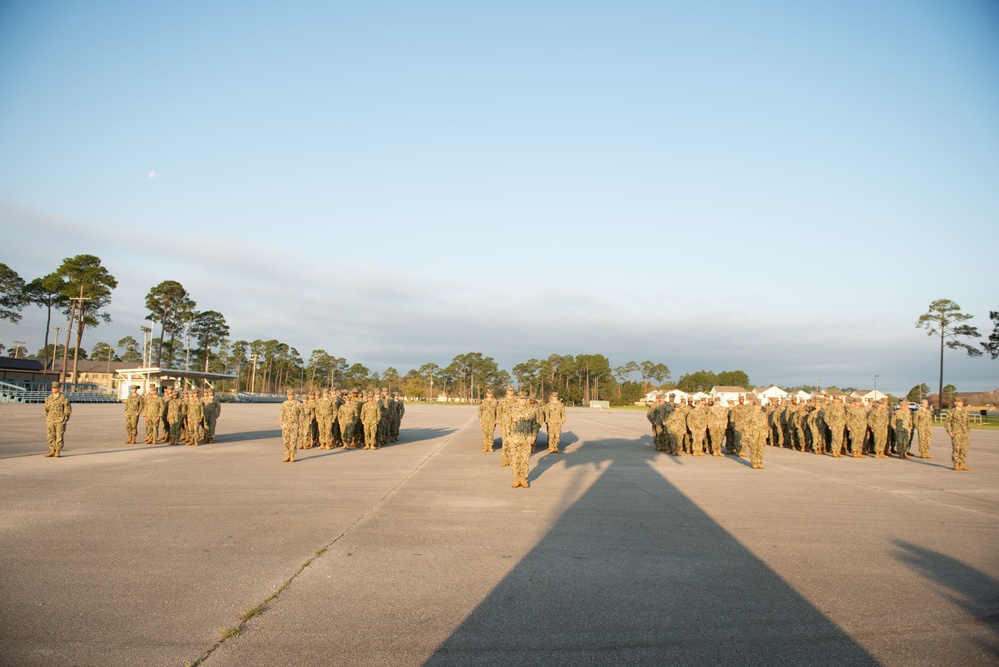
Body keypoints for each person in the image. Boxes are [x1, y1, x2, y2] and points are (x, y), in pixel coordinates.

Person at [507, 392, 538, 488]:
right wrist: (508, 437)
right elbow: (508, 424)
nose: (523, 401)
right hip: (515, 439)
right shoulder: (512, 410)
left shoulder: (531, 411)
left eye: (524, 399)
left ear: (527, 400)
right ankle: (516, 479)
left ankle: (524, 479)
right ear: (518, 400)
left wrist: (533, 437)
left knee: (525, 460)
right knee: (515, 459)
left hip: (527, 440)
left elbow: (534, 425)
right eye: (521, 399)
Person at [44, 381, 72, 457]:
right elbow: (46, 409)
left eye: (55, 387)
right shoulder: (49, 398)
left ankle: (58, 451)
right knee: (50, 435)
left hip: (60, 420)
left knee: (59, 436)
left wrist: (65, 419)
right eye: (52, 388)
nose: (53, 389)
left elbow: (67, 410)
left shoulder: (63, 398)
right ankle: (52, 450)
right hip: (51, 420)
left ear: (59, 388)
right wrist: (47, 419)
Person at [946, 397, 971, 471]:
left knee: (964, 448)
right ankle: (956, 464)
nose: (961, 403)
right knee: (956, 448)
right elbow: (947, 422)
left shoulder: (965, 412)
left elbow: (968, 422)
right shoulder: (952, 412)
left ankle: (962, 464)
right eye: (959, 402)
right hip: (956, 432)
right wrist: (949, 431)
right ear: (955, 403)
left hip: (964, 433)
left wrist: (968, 431)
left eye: (962, 402)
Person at [279, 390, 301, 462]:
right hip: (286, 425)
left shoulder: (298, 404)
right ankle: (287, 455)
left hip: (294, 425)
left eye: (291, 395)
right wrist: (281, 423)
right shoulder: (284, 404)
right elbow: (281, 414)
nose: (290, 396)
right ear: (287, 395)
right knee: (286, 441)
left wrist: (300, 424)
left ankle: (292, 456)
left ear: (294, 395)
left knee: (293, 441)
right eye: (289, 395)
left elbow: (301, 415)